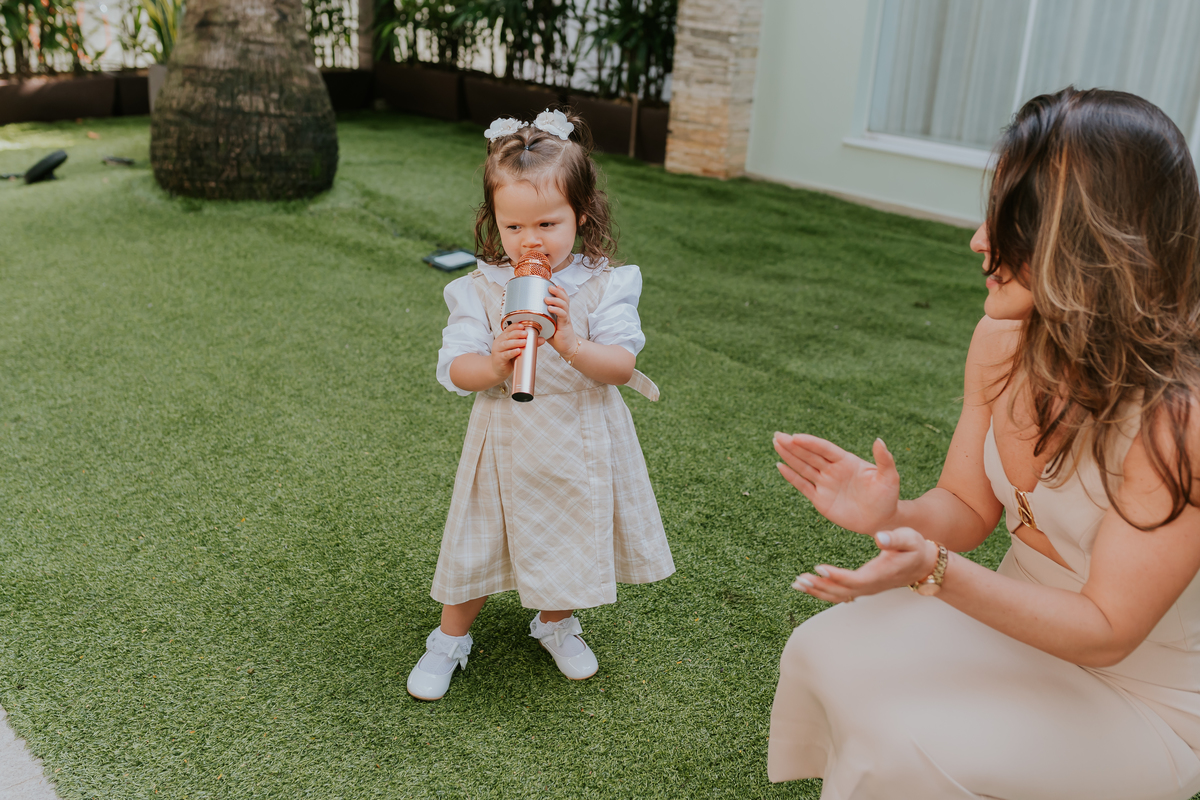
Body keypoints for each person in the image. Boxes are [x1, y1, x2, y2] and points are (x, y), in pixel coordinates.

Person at [768, 87, 1200, 799]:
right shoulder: (1004, 339)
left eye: (1009, 223)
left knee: (905, 743)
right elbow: (968, 506)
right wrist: (892, 514)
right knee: (825, 645)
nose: (978, 240)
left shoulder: (1176, 421)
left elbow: (1106, 629)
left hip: (1140, 692)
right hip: (1019, 620)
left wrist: (936, 570)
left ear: (1087, 244)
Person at [406, 109, 675, 701]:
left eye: (548, 224)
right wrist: (495, 364)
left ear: (582, 215)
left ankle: (555, 622)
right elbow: (455, 368)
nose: (531, 241)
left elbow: (620, 365)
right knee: (478, 538)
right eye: (514, 226)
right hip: (505, 437)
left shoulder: (606, 283)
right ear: (493, 222)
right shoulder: (481, 287)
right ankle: (449, 639)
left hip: (581, 433)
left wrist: (569, 340)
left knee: (569, 532)